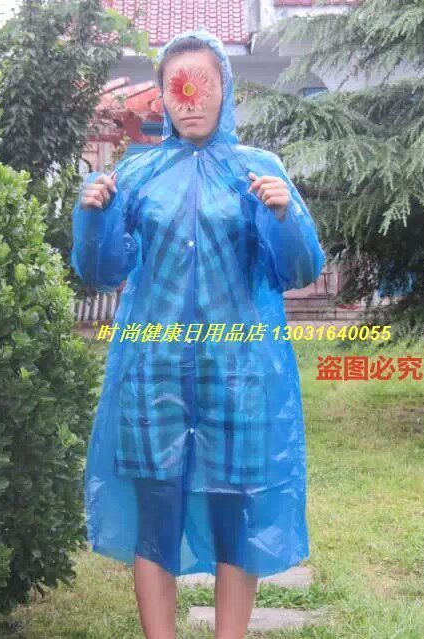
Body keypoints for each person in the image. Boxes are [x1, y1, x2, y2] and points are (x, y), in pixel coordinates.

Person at [71, 28, 326, 639]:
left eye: (202, 84)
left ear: (224, 89)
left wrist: (285, 216)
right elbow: (102, 271)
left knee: (235, 513)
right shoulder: (137, 174)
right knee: (155, 516)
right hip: (152, 370)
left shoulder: (258, 170)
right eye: (177, 86)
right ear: (162, 95)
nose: (190, 99)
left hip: (235, 372)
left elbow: (298, 270)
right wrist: (91, 217)